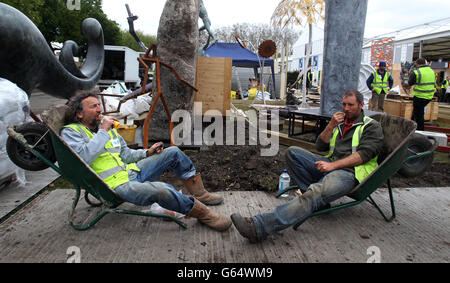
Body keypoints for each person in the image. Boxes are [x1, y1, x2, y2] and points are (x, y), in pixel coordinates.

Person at [61, 91, 231, 232]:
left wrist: (147, 153)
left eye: (99, 105)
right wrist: (104, 130)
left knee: (173, 152)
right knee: (162, 190)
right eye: (93, 106)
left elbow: (126, 155)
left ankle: (200, 193)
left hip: (131, 172)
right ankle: (203, 214)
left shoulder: (106, 130)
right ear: (79, 113)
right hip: (115, 186)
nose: (100, 109)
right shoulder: (72, 132)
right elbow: (83, 159)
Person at [231, 90, 384, 242]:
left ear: (361, 105)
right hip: (332, 163)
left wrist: (332, 167)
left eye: (351, 105)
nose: (346, 108)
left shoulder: (371, 126)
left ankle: (259, 227)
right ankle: (318, 203)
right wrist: (330, 125)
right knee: (293, 153)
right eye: (344, 104)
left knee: (314, 191)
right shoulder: (340, 123)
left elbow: (363, 156)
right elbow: (319, 146)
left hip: (349, 173)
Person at [405, 58, 436, 131]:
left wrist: (405, 83)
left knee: (419, 114)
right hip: (429, 96)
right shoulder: (432, 71)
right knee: (416, 112)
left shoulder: (416, 72)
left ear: (417, 64)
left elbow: (410, 83)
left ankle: (420, 130)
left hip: (419, 95)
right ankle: (411, 125)